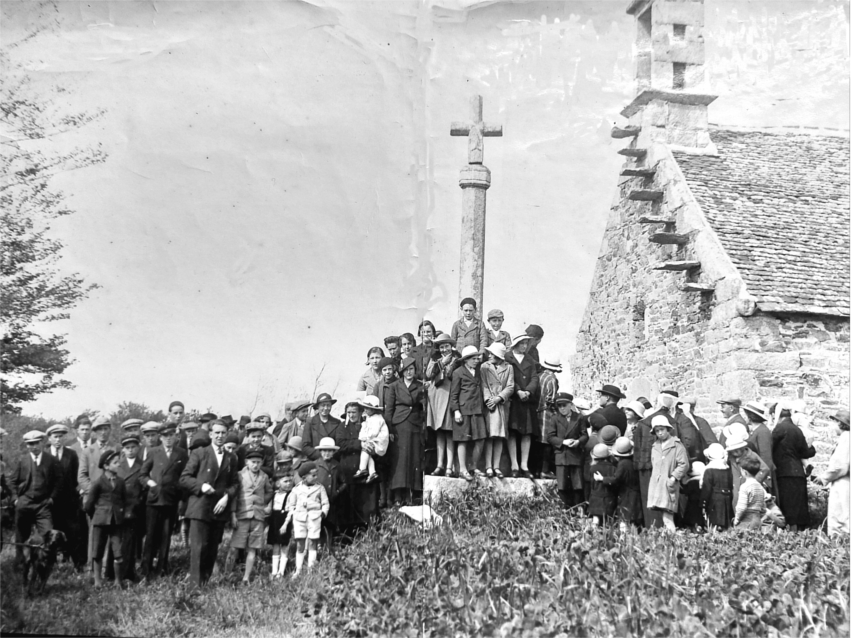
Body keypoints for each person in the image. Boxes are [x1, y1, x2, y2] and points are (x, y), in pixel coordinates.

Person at [179, 422, 239, 588]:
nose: (220, 436)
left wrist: (227, 496)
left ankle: (204, 584)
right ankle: (194, 586)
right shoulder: (200, 453)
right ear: (211, 434)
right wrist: (201, 486)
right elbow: (184, 478)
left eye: (223, 433)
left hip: (219, 509)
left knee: (212, 549)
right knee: (199, 548)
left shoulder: (232, 457)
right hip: (200, 507)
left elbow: (234, 482)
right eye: (217, 433)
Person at [140, 422, 188, 579]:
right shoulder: (154, 452)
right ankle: (146, 569)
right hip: (154, 500)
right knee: (151, 535)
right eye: (165, 436)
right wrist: (151, 484)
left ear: (175, 436)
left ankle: (162, 568)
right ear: (160, 437)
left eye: (171, 435)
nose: (168, 439)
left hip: (170, 500)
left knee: (166, 536)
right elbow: (143, 474)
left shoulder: (181, 454)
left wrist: (182, 500)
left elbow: (184, 479)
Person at [9, 430, 61, 569]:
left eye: (36, 443)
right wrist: (15, 499)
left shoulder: (51, 460)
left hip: (43, 504)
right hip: (25, 502)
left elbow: (58, 481)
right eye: (30, 444)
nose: (34, 447)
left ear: (42, 443)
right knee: (21, 535)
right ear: (27, 446)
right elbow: (12, 481)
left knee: (48, 533)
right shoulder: (23, 460)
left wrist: (52, 498)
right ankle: (20, 562)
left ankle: (46, 563)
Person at [78, 416, 118, 570]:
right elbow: (82, 476)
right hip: (93, 500)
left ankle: (107, 568)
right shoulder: (88, 451)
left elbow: (119, 472)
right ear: (94, 432)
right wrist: (94, 493)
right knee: (94, 533)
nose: (103, 432)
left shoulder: (116, 449)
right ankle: (93, 567)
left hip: (111, 499)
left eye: (106, 428)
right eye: (99, 429)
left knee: (110, 533)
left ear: (110, 430)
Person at [84, 450, 128, 587]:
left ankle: (118, 581)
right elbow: (89, 505)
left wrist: (121, 514)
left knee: (118, 551)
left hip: (116, 522)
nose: (118, 464)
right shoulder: (98, 483)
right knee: (97, 550)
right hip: (100, 521)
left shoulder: (121, 482)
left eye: (118, 461)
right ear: (106, 466)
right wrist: (97, 516)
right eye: (115, 463)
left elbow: (124, 500)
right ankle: (98, 581)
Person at [44, 424, 85, 570]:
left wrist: (76, 492)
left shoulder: (71, 454)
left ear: (65, 437)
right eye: (55, 436)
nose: (58, 439)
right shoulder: (45, 454)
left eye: (61, 436)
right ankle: (51, 565)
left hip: (69, 502)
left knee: (73, 533)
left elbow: (75, 477)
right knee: (50, 534)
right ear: (49, 438)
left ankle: (78, 564)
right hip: (51, 502)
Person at [230, 449, 273, 584]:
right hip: (242, 515)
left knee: (253, 547)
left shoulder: (264, 477)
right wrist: (233, 514)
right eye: (253, 462)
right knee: (235, 546)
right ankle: (227, 574)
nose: (255, 465)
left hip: (258, 516)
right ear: (246, 462)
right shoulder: (239, 475)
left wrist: (261, 502)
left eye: (258, 462)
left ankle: (246, 578)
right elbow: (234, 496)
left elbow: (270, 491)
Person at [385, 357, 424, 505]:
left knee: (414, 458)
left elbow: (423, 408)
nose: (409, 372)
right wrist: (389, 429)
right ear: (402, 371)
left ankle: (412, 495)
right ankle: (398, 496)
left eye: (412, 369)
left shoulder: (419, 386)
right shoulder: (395, 386)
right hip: (399, 426)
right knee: (400, 460)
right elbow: (389, 410)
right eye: (406, 369)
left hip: (414, 425)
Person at [772, 401, 816, 531]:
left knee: (788, 507)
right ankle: (798, 535)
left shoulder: (780, 428)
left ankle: (790, 535)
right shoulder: (797, 430)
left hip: (785, 473)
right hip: (798, 473)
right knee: (798, 507)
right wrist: (811, 447)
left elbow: (770, 446)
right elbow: (805, 452)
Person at [449, 346, 488, 482]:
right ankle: (463, 470)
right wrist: (456, 411)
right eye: (473, 358)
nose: (476, 360)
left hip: (477, 410)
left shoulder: (479, 371)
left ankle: (474, 466)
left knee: (480, 439)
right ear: (466, 360)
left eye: (477, 358)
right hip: (464, 411)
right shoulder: (458, 372)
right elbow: (453, 395)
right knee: (463, 440)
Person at [285, 462, 329, 576]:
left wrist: (323, 513)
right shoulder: (297, 489)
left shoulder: (320, 488)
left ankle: (311, 569)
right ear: (304, 477)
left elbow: (325, 503)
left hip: (314, 518)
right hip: (300, 519)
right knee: (300, 543)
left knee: (313, 542)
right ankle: (298, 570)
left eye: (316, 475)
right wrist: (293, 513)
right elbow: (291, 504)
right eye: (313, 475)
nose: (316, 477)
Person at [545, 393, 588, 509]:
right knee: (563, 485)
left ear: (570, 405)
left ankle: (579, 509)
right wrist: (563, 442)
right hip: (561, 454)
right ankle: (566, 510)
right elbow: (550, 437)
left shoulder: (579, 418)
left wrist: (578, 442)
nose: (562, 408)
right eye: (559, 406)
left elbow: (585, 435)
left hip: (575, 455)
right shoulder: (555, 418)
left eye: (564, 405)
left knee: (577, 484)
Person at [647, 416, 689, 531]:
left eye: (662, 430)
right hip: (657, 485)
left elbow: (684, 464)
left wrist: (673, 477)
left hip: (669, 484)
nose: (660, 433)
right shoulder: (655, 446)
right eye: (657, 431)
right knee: (663, 515)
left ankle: (672, 539)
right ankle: (668, 539)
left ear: (668, 429)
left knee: (667, 517)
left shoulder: (676, 445)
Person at [505, 335, 539, 478]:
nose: (524, 346)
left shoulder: (530, 360)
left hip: (526, 400)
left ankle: (524, 465)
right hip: (513, 399)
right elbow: (508, 377)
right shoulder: (508, 358)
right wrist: (518, 390)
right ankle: (514, 465)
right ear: (516, 344)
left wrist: (528, 391)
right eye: (522, 344)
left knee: (526, 432)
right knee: (512, 432)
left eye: (526, 344)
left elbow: (534, 377)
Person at [480, 342, 514, 478]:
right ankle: (488, 466)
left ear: (498, 356)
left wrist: (499, 398)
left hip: (501, 405)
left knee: (499, 436)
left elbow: (510, 386)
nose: (489, 356)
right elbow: (483, 384)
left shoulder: (509, 368)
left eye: (492, 354)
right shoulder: (484, 367)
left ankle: (497, 466)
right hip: (490, 405)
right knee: (490, 435)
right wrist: (489, 399)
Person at [115, 434, 145, 582]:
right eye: (127, 448)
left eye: (133, 447)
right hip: (119, 509)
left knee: (130, 542)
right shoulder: (118, 465)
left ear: (138, 448)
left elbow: (144, 488)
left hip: (134, 509)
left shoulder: (143, 465)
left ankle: (128, 573)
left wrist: (137, 503)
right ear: (123, 450)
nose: (130, 450)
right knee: (116, 542)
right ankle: (112, 573)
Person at [596, 437, 642, 528]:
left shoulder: (623, 464)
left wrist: (602, 479)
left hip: (627, 496)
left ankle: (624, 540)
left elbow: (616, 479)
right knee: (633, 520)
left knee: (625, 520)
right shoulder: (633, 460)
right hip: (634, 494)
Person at [818, 409, 850, 536]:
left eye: (835, 422)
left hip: (842, 483)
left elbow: (840, 466)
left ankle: (840, 545)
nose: (833, 426)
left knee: (840, 515)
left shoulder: (846, 438)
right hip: (844, 481)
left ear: (841, 423)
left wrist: (824, 478)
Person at [314, 437, 347, 552]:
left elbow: (344, 482)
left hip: (332, 502)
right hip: (318, 502)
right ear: (320, 452)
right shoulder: (316, 465)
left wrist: (336, 492)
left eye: (329, 451)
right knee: (317, 524)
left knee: (330, 524)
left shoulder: (337, 465)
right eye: (324, 451)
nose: (326, 453)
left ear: (333, 452)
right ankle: (316, 549)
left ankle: (327, 549)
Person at [725, 436, 770, 507]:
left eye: (737, 449)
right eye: (733, 450)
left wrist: (753, 481)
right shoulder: (731, 458)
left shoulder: (752, 455)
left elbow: (765, 469)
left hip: (751, 491)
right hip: (737, 491)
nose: (735, 452)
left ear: (742, 448)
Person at [741, 401, 775, 495]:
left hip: (762, 477)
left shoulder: (762, 432)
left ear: (750, 416)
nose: (744, 417)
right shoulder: (756, 430)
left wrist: (763, 480)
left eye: (746, 415)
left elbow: (766, 458)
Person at [536, 357, 561, 479]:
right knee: (547, 441)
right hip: (546, 412)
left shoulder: (539, 375)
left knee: (538, 442)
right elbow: (551, 400)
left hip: (536, 411)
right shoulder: (552, 379)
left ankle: (536, 470)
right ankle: (544, 471)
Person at [353, 396, 389, 483]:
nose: (365, 410)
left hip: (379, 442)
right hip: (374, 440)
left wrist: (365, 438)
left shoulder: (377, 419)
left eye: (367, 409)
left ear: (373, 410)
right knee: (367, 449)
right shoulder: (370, 418)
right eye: (364, 408)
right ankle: (372, 471)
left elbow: (373, 433)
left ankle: (362, 468)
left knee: (366, 447)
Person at [700, 443, 734, 531]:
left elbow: (706, 489)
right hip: (728, 498)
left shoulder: (708, 470)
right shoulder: (728, 469)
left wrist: (703, 504)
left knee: (714, 525)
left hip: (714, 500)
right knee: (727, 525)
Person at [302, 393, 343, 461]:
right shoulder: (310, 422)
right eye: (323, 405)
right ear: (318, 406)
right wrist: (322, 455)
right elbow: (305, 446)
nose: (326, 408)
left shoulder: (337, 422)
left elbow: (339, 445)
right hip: (315, 461)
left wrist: (330, 455)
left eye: (328, 405)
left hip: (332, 460)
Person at [268, 473, 294, 578]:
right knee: (275, 544)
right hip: (275, 519)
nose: (288, 484)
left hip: (285, 520)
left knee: (284, 544)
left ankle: (281, 572)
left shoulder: (292, 495)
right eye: (285, 481)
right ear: (278, 483)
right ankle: (274, 571)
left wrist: (285, 524)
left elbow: (291, 510)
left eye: (290, 481)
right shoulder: (274, 494)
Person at [733, 456, 767, 530]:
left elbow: (741, 507)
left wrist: (737, 519)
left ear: (744, 472)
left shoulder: (744, 487)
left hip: (746, 520)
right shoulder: (760, 486)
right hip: (757, 519)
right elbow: (763, 506)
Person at [588, 444, 617, 526]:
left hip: (596, 497)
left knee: (595, 519)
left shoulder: (593, 468)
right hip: (609, 497)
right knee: (609, 520)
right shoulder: (613, 468)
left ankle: (593, 535)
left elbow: (591, 484)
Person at [679, 461, 706, 530]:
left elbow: (684, 490)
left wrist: (680, 482)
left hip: (692, 504)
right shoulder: (704, 481)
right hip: (701, 503)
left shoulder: (692, 482)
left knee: (692, 519)